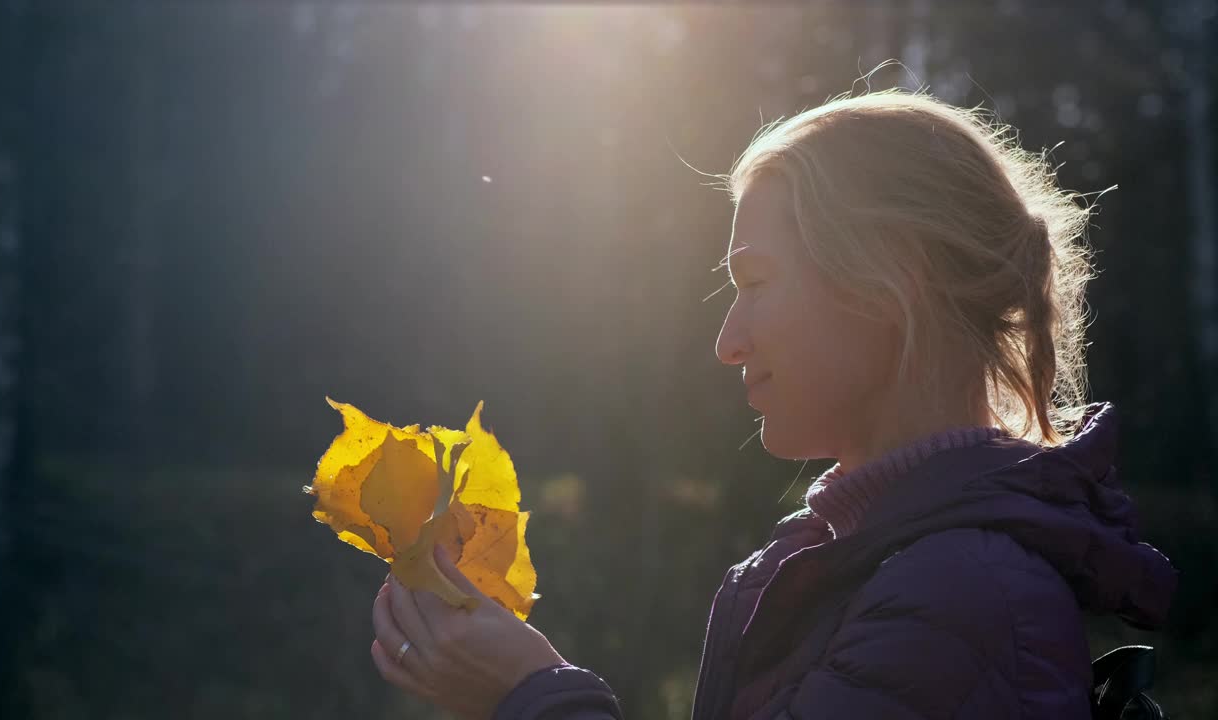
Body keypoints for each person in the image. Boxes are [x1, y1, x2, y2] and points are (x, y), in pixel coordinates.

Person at [369, 87, 1179, 720]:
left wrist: (532, 696)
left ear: (888, 285)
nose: (728, 341)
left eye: (755, 283)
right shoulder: (875, 565)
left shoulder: (959, 600)